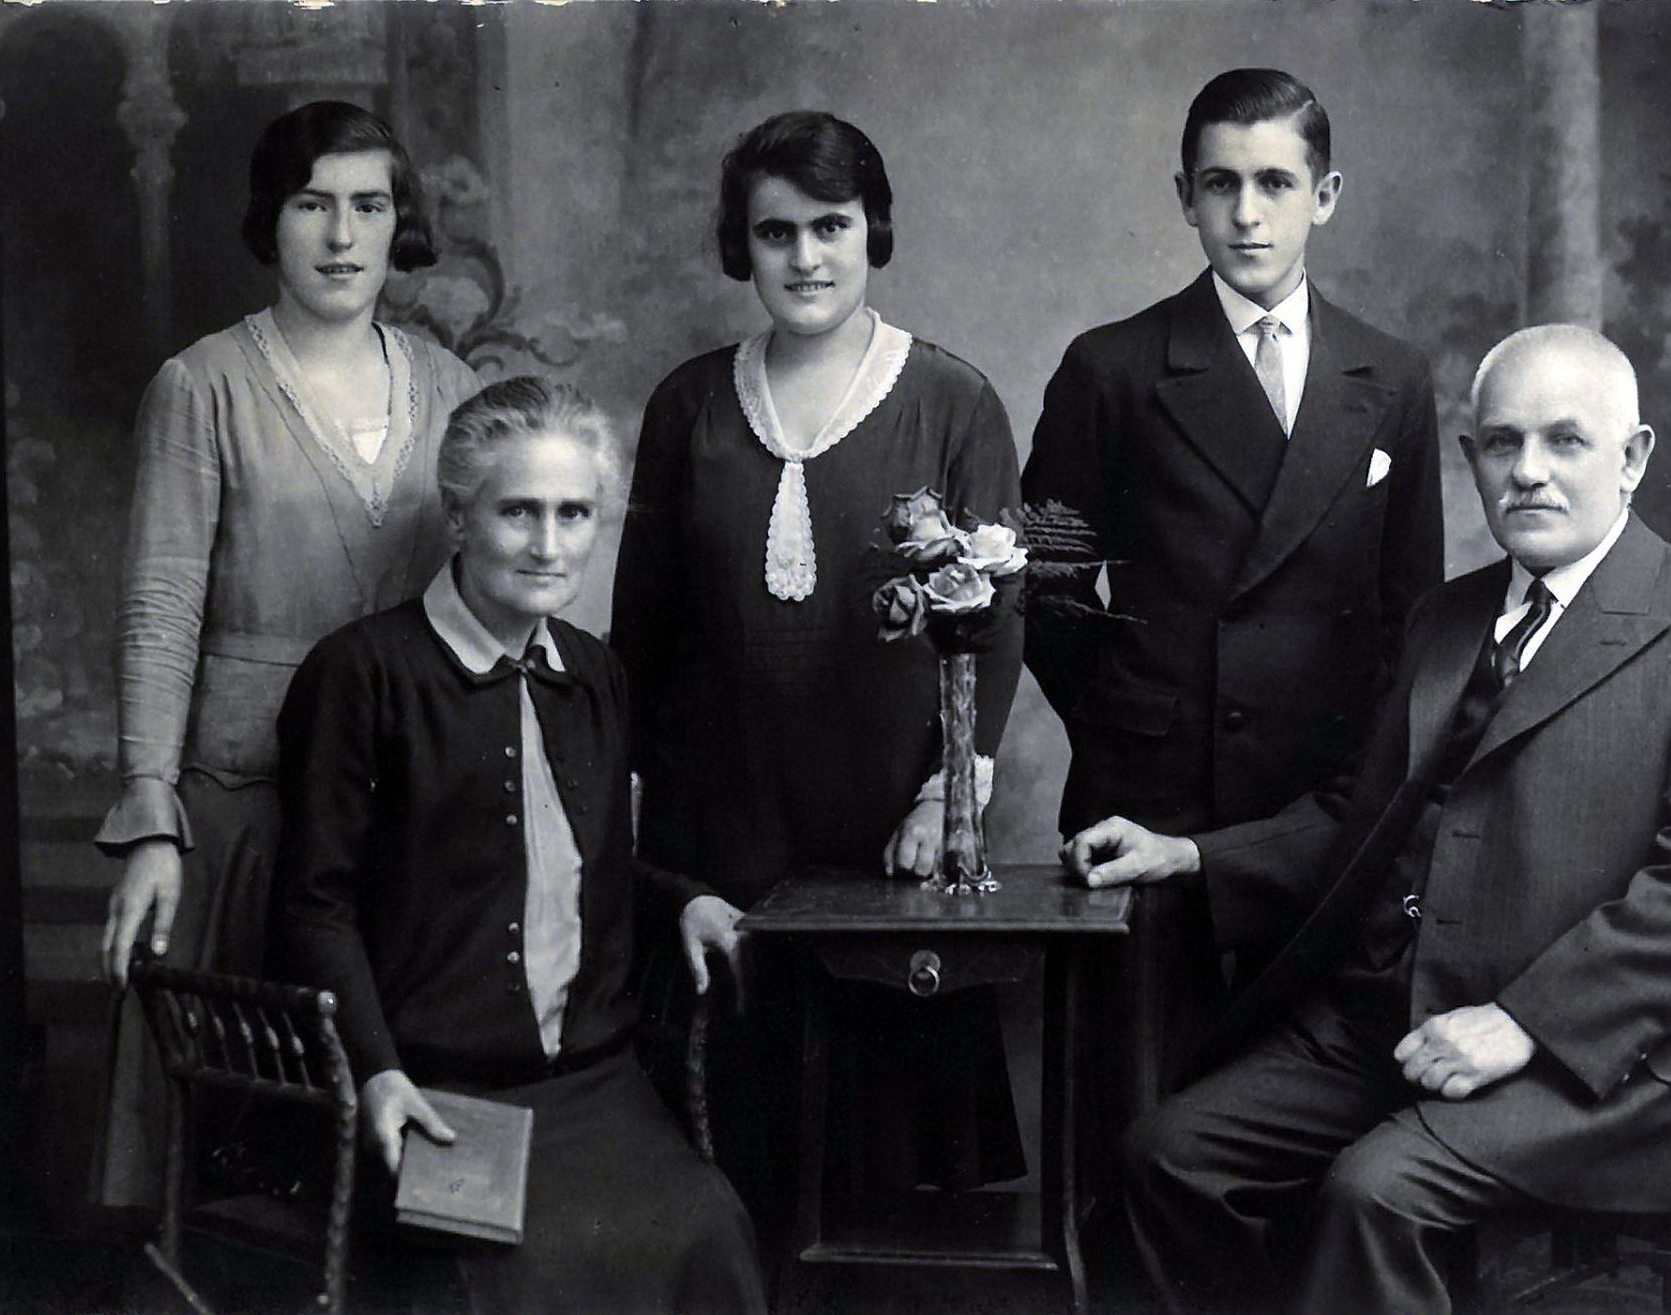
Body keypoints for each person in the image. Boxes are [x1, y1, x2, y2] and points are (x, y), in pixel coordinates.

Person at [1066, 326, 1671, 1315]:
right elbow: (1356, 818)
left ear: (1630, 458)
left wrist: (1519, 1023)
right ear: (1469, 461)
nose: (1528, 472)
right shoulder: (1443, 621)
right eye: (1500, 444)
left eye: (1564, 442)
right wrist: (1189, 852)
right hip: (1383, 1021)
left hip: (1588, 1062)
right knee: (1166, 1158)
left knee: (1373, 1193)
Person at [274, 377, 765, 1314]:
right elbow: (314, 902)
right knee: (516, 1271)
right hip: (430, 1091)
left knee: (709, 1225)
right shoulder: (362, 672)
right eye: (518, 512)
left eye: (574, 513)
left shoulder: (594, 672)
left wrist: (680, 898)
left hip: (592, 1088)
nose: (548, 544)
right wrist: (376, 1071)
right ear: (459, 518)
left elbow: (574, 865)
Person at [610, 110, 1026, 1207]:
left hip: (880, 819)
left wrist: (948, 798)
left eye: (829, 225)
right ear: (739, 245)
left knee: (880, 1174)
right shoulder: (687, 405)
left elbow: (999, 622)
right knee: (734, 1167)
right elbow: (639, 634)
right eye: (774, 232)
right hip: (723, 823)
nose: (804, 257)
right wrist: (644, 843)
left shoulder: (951, 401)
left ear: (871, 230)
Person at [1020, 68, 1446, 1105]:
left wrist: (1350, 780)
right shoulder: (1110, 368)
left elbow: (1411, 613)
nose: (1245, 214)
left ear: (1326, 195)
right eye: (1218, 185)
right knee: (1136, 1102)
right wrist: (1144, 719)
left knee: (1294, 1106)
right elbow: (1049, 593)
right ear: (1182, 197)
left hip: (1316, 806)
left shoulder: (1389, 378)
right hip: (1148, 792)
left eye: (1273, 183)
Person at [91, 100, 484, 1210]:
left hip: (400, 793)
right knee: (240, 1122)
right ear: (273, 219)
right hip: (247, 799)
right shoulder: (202, 385)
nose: (343, 234)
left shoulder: (449, 389)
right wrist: (153, 818)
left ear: (398, 220)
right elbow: (161, 605)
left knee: (399, 1121)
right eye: (314, 203)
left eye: (369, 204)